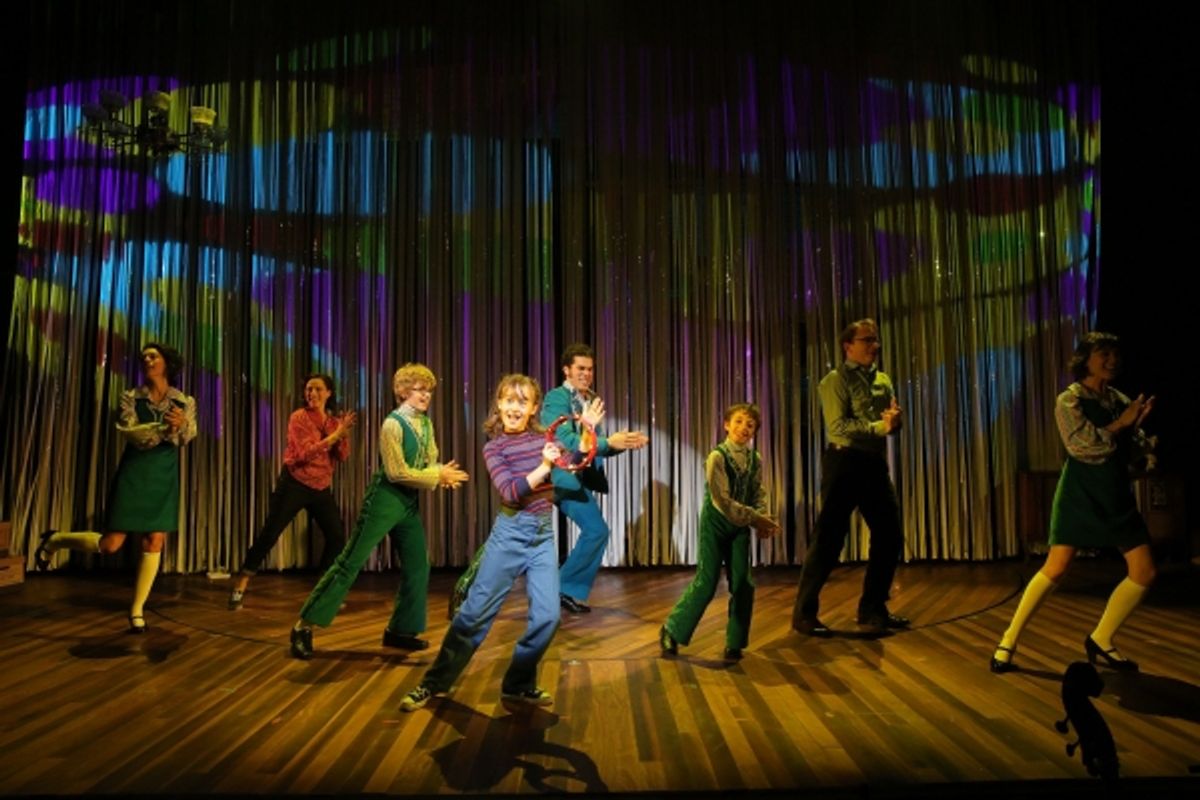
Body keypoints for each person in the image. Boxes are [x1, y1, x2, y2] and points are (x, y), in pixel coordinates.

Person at [401, 374, 591, 711]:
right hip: (511, 534)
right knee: (474, 615)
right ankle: (434, 683)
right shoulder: (495, 447)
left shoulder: (543, 439)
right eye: (509, 400)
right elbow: (511, 491)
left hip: (542, 536)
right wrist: (544, 466)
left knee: (548, 617)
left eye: (523, 401)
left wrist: (587, 433)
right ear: (499, 404)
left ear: (533, 408)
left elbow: (573, 463)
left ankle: (518, 684)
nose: (514, 408)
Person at [991, 332, 1156, 673]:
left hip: (1115, 493)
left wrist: (1136, 427)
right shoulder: (1069, 400)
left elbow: (1130, 452)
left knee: (1144, 572)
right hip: (1080, 492)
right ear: (1085, 359)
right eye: (1103, 353)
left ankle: (1102, 638)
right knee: (1056, 566)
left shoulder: (1119, 399)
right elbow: (1084, 447)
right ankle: (1008, 640)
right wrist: (1121, 424)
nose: (1112, 360)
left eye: (1115, 353)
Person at [288, 363, 468, 659]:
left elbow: (428, 462)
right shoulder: (392, 425)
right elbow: (397, 473)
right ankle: (303, 626)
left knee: (418, 565)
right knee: (349, 562)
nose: (426, 395)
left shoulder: (425, 424)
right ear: (403, 391)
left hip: (407, 503)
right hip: (384, 500)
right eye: (419, 389)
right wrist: (438, 476)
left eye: (429, 390)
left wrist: (440, 472)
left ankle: (400, 630)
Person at [35, 343, 197, 633]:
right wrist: (167, 430)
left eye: (153, 356)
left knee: (154, 540)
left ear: (167, 363)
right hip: (135, 472)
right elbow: (133, 434)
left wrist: (181, 427)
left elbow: (188, 438)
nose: (147, 360)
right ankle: (55, 540)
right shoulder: (131, 397)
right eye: (144, 357)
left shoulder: (184, 401)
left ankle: (137, 610)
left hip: (163, 476)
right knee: (111, 544)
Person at [791, 319, 909, 636]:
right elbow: (837, 427)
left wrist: (895, 423)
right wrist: (880, 427)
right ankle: (804, 614)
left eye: (875, 339)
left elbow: (888, 424)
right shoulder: (834, 380)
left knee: (889, 535)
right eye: (867, 340)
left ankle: (873, 608)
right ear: (848, 346)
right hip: (844, 462)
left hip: (873, 463)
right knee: (829, 540)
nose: (875, 345)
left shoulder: (883, 379)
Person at [659, 403, 780, 661]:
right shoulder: (717, 457)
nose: (744, 428)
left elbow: (757, 492)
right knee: (706, 582)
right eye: (738, 422)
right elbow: (722, 501)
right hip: (716, 524)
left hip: (740, 526)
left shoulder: (755, 459)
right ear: (726, 425)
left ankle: (735, 642)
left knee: (743, 584)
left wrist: (762, 518)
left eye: (750, 425)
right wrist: (757, 519)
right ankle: (672, 629)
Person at [228, 373, 356, 609]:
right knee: (270, 533)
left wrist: (342, 437)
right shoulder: (299, 417)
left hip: (321, 486)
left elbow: (342, 456)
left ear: (328, 393)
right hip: (294, 483)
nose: (312, 393)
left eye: (318, 389)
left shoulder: (333, 422)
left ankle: (322, 592)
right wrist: (335, 436)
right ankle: (241, 584)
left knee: (337, 536)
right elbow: (304, 453)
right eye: (309, 389)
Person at [543, 343, 648, 613]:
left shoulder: (590, 400)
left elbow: (593, 448)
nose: (586, 374)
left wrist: (620, 443)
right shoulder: (556, 398)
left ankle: (563, 590)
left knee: (597, 531)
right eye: (580, 368)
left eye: (590, 369)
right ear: (566, 370)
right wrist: (607, 441)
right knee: (513, 541)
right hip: (555, 477)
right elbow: (565, 440)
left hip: (575, 478)